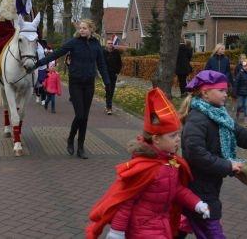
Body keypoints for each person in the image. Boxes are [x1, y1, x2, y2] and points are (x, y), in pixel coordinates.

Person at [86, 88, 210, 239]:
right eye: (172, 135)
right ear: (156, 139)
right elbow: (125, 201)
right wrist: (117, 232)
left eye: (178, 134)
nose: (178, 139)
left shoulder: (170, 163)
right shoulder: (144, 168)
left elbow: (176, 189)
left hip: (162, 225)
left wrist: (196, 203)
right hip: (142, 228)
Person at [179, 70, 247, 238]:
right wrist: (228, 165)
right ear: (205, 93)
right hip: (198, 188)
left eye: (226, 90)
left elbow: (242, 134)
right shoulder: (197, 119)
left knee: (180, 227)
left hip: (208, 185)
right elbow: (196, 154)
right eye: (221, 90)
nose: (225, 94)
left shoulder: (220, 116)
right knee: (212, 230)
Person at [33, 19, 110, 159]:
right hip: (75, 83)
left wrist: (107, 82)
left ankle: (80, 147)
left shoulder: (96, 45)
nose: (82, 30)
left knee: (85, 117)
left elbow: (102, 64)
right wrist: (38, 63)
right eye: (80, 28)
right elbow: (57, 53)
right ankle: (70, 138)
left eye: (85, 28)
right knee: (80, 115)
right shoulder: (74, 42)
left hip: (89, 84)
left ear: (91, 30)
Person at [103, 39, 122, 115]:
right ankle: (109, 107)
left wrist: (117, 72)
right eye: (109, 43)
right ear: (106, 44)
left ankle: (108, 102)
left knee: (111, 89)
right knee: (108, 89)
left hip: (113, 74)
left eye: (111, 43)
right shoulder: (103, 52)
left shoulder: (116, 52)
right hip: (106, 74)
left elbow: (119, 63)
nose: (110, 44)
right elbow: (100, 63)